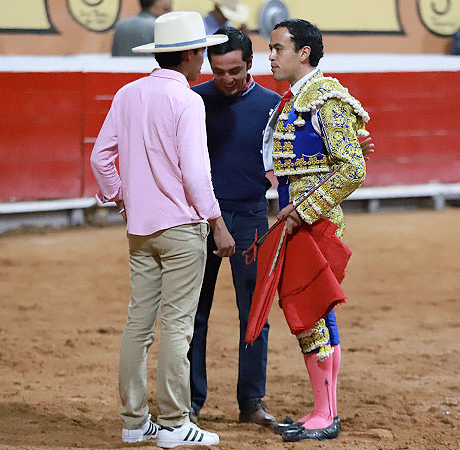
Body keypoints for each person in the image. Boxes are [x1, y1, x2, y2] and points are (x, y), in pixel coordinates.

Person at [91, 11, 235, 449]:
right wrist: (217, 222)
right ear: (191, 54)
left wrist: (120, 196)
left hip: (140, 230)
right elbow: (194, 172)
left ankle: (135, 420)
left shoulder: (128, 93)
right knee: (177, 326)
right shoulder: (187, 101)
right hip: (181, 229)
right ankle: (174, 422)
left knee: (139, 324)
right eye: (204, 52)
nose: (205, 60)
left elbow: (100, 158)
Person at [262, 18, 369, 442]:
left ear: (303, 52)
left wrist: (303, 212)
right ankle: (325, 409)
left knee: (310, 315)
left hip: (315, 223)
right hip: (301, 221)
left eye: (277, 48)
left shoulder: (325, 98)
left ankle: (327, 415)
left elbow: (352, 167)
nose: (270, 56)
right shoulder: (295, 99)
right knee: (318, 314)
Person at [187, 27, 280, 428]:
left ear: (250, 64)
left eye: (235, 71)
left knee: (254, 313)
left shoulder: (274, 106)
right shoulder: (193, 101)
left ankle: (251, 402)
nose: (226, 79)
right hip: (198, 218)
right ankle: (189, 402)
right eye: (219, 70)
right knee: (192, 314)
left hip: (250, 217)